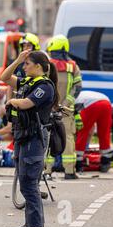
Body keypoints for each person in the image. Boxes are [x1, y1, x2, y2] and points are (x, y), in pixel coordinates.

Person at [1, 50, 59, 227]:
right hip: (22, 136)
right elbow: (4, 77)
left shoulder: (45, 86)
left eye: (27, 64)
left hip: (34, 138)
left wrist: (12, 101)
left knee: (30, 183)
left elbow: (27, 103)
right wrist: (18, 59)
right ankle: (29, 224)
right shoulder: (27, 82)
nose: (24, 67)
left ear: (38, 67)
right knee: (24, 182)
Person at [46, 35, 82, 180]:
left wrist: (52, 104)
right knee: (67, 138)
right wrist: (66, 103)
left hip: (48, 108)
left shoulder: (47, 65)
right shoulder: (73, 66)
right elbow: (78, 87)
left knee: (47, 138)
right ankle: (69, 172)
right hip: (66, 111)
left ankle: (46, 171)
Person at [75, 91, 113, 173]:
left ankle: (78, 163)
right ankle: (105, 161)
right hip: (107, 103)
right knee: (104, 133)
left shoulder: (73, 99)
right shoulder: (83, 94)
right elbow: (91, 127)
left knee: (82, 132)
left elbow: (82, 127)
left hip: (92, 105)